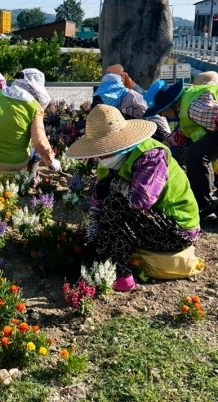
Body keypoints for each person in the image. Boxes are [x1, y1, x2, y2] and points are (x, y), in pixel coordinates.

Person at [66, 105, 200, 292]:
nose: (100, 155)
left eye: (105, 148)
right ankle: (98, 266)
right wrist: (92, 240)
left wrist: (115, 184)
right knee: (106, 212)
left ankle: (121, 275)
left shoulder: (151, 156)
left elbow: (141, 201)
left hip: (177, 229)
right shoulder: (106, 163)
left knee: (115, 204)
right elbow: (97, 204)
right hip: (149, 222)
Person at [143, 80, 218, 212]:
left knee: (197, 154)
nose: (161, 115)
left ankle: (205, 203)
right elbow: (189, 130)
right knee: (196, 149)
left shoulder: (192, 107)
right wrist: (167, 144)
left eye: (160, 111)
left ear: (169, 105)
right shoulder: (184, 105)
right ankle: (209, 196)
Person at [0, 68, 61, 177]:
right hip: (18, 162)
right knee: (35, 141)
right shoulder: (35, 106)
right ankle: (31, 176)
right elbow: (39, 141)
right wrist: (51, 160)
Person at [91, 73, 171, 142]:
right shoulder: (119, 102)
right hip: (143, 131)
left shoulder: (131, 95)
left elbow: (144, 113)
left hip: (158, 130)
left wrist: (125, 110)